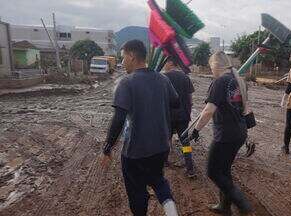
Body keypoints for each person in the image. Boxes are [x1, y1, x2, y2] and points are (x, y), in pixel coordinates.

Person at [100, 40, 180, 216]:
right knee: (158, 181)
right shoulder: (162, 79)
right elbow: (176, 102)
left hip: (135, 152)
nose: (122, 63)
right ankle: (172, 212)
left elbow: (119, 118)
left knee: (137, 193)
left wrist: (107, 147)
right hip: (160, 147)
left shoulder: (126, 83)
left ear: (132, 56)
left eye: (123, 58)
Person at [181, 51, 252, 215]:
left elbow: (208, 111)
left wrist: (196, 130)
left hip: (226, 135)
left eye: (211, 65)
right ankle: (224, 206)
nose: (211, 69)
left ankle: (242, 203)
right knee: (224, 170)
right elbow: (246, 108)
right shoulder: (239, 80)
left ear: (215, 64)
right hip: (239, 132)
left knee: (212, 171)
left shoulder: (220, 82)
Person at [163, 58, 196, 178]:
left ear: (171, 62)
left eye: (165, 62)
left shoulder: (164, 77)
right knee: (185, 142)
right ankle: (190, 168)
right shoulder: (185, 77)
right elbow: (190, 98)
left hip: (168, 115)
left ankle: (164, 162)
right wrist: (188, 112)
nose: (164, 65)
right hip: (183, 116)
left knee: (167, 138)